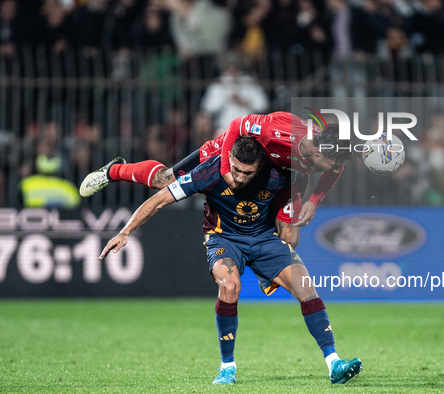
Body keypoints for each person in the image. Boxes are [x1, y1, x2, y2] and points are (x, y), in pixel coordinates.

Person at [98, 136, 362, 385]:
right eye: (235, 169)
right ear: (229, 159)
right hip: (224, 239)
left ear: (260, 165)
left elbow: (291, 225)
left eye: (246, 173)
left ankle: (333, 364)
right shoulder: (210, 171)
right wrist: (125, 232)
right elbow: (159, 200)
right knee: (230, 285)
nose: (238, 178)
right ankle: (227, 367)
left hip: (263, 239)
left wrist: (290, 223)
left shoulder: (281, 175)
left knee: (305, 286)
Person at [79, 111, 352, 247]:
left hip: (277, 170)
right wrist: (224, 170)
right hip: (234, 151)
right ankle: (114, 171)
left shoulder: (326, 149)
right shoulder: (276, 131)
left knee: (291, 238)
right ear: (317, 151)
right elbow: (235, 126)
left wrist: (315, 201)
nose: (335, 168)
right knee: (164, 180)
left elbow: (335, 168)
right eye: (332, 163)